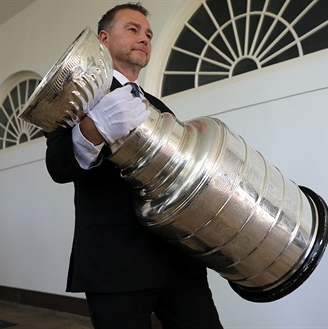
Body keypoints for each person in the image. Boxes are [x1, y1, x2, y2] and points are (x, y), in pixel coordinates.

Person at [44, 3, 223, 329]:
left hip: (180, 261)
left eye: (149, 34)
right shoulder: (72, 94)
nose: (144, 38)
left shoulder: (159, 107)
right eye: (132, 29)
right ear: (103, 37)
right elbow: (57, 166)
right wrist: (91, 130)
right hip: (115, 263)